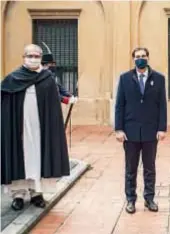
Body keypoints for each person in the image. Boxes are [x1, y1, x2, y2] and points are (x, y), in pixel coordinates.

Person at [1, 44, 70, 211]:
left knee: (38, 157)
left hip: (41, 129)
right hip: (19, 128)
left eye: (36, 56)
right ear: (23, 57)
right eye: (29, 55)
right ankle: (18, 194)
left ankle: (36, 193)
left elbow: (53, 107)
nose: (33, 58)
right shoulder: (13, 79)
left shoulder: (47, 79)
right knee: (19, 157)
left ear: (40, 58)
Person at [115, 47, 167, 214]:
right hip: (130, 131)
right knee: (131, 168)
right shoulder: (124, 79)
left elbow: (162, 106)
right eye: (137, 57)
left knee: (149, 167)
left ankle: (149, 198)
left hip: (151, 131)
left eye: (143, 56)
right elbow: (119, 106)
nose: (140, 59)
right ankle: (130, 200)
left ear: (148, 58)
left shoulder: (159, 79)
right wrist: (118, 129)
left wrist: (162, 128)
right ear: (133, 59)